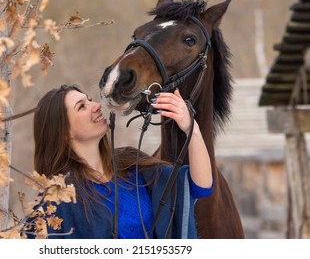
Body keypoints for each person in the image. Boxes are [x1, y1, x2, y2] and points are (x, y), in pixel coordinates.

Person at [25, 84, 213, 239]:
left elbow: (199, 186)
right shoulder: (58, 198)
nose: (96, 105)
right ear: (64, 132)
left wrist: (191, 128)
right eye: (81, 106)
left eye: (89, 99)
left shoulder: (133, 165)